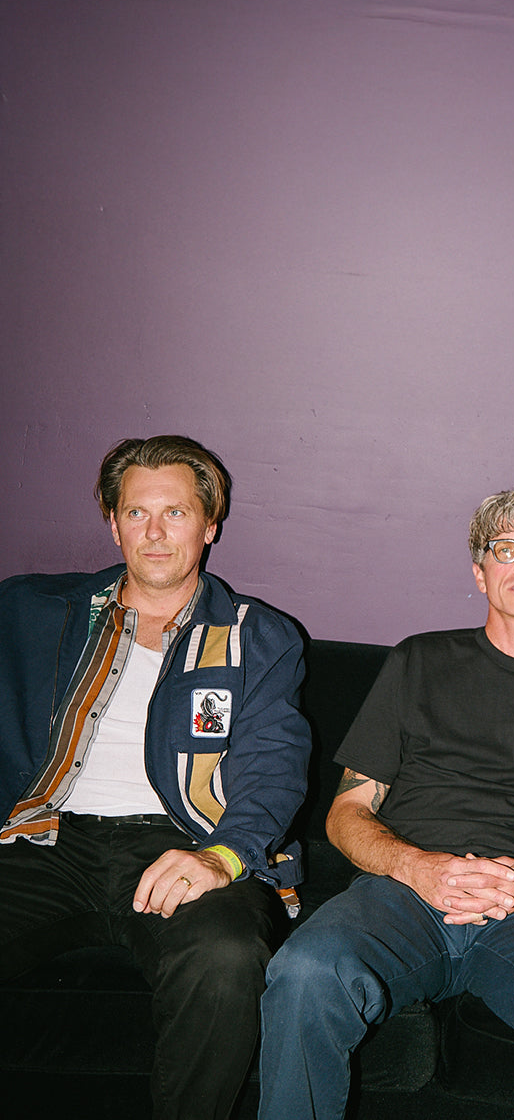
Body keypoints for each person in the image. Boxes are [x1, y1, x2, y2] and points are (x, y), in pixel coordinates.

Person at [258, 487, 514, 1120]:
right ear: (479, 572)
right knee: (306, 971)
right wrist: (419, 867)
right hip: (404, 897)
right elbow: (345, 814)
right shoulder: (419, 661)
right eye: (504, 549)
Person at [0, 435, 311, 1120]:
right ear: (113, 524)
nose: (155, 532)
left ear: (210, 525)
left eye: (176, 512)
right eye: (137, 513)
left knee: (226, 956)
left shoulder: (257, 636)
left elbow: (274, 765)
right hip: (45, 840)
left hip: (183, 845)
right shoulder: (31, 610)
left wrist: (223, 856)